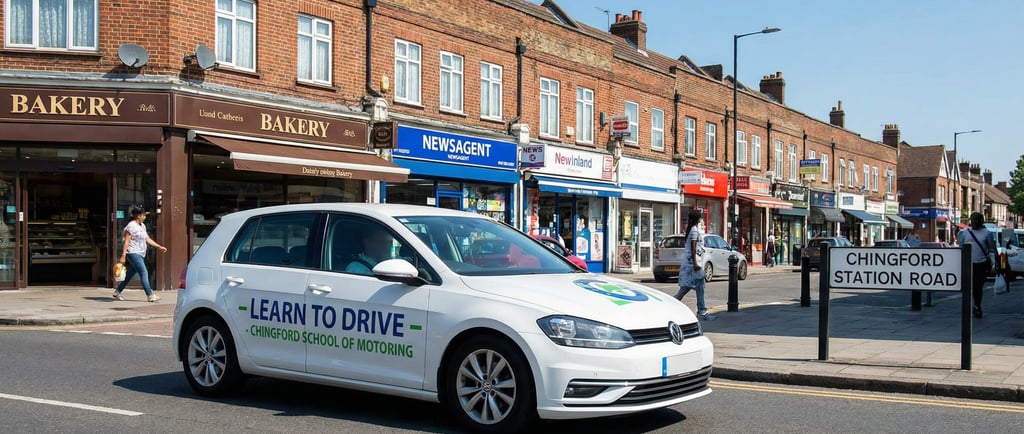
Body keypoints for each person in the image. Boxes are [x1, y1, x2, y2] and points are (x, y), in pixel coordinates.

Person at [112, 205, 166, 302]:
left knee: (130, 274)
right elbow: (127, 241)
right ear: (138, 216)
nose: (145, 217)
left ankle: (118, 291)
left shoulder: (142, 226)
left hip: (140, 253)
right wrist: (123, 255)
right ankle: (150, 295)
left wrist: (159, 247)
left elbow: (147, 239)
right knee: (143, 272)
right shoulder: (131, 226)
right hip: (132, 253)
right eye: (143, 215)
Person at [958, 212, 994, 318]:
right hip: (968, 263)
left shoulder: (986, 233)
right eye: (973, 219)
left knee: (978, 286)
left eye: (977, 219)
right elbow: (961, 248)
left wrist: (994, 260)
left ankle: (977, 306)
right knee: (969, 286)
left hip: (981, 264)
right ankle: (971, 307)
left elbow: (991, 248)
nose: (974, 221)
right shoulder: (964, 233)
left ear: (981, 220)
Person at [674, 210, 709, 318]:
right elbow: (693, 247)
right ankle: (702, 311)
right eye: (700, 217)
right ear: (697, 219)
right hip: (692, 264)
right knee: (696, 287)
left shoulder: (691, 230)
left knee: (689, 288)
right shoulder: (694, 231)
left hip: (690, 263)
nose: (701, 219)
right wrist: (695, 263)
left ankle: (701, 310)